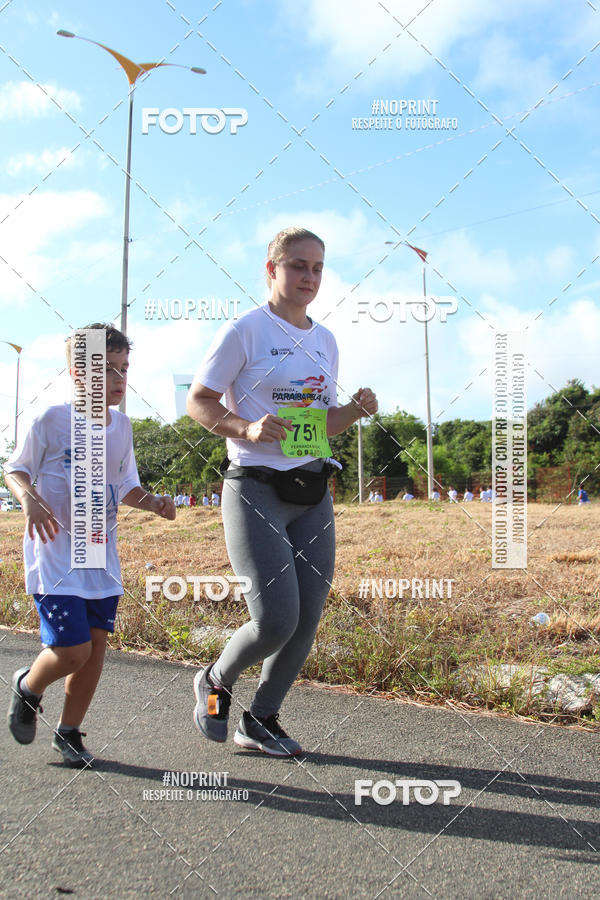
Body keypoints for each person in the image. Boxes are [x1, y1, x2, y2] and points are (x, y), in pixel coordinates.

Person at [186, 225, 377, 757]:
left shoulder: (325, 340)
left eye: (317, 267)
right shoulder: (245, 331)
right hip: (255, 487)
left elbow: (321, 424)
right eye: (298, 265)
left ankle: (261, 719)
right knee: (274, 620)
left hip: (312, 489)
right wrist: (244, 427)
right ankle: (214, 682)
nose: (309, 277)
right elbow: (198, 402)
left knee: (308, 616)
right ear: (271, 269)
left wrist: (354, 410)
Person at [4, 324, 175, 767]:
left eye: (124, 370)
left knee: (95, 653)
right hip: (56, 555)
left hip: (100, 555)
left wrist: (153, 503)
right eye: (108, 369)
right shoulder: (51, 420)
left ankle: (69, 731)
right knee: (71, 650)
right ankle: (28, 686)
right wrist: (30, 501)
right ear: (78, 373)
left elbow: (127, 487)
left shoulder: (122, 427)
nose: (119, 380)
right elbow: (16, 470)